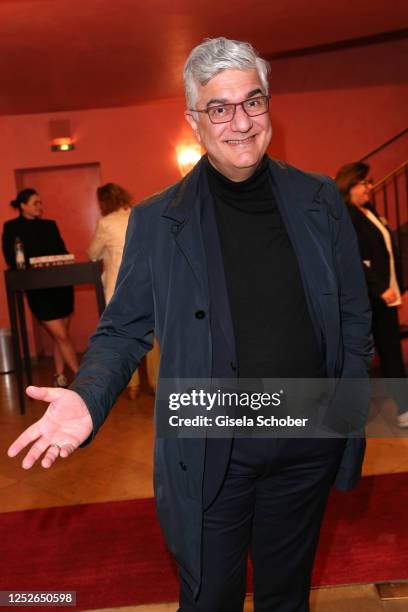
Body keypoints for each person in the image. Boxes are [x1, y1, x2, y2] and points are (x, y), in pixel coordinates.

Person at [8, 38, 372, 612]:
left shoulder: (319, 199)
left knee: (287, 597)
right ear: (194, 120)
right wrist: (89, 397)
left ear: (268, 104)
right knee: (209, 600)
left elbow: (353, 319)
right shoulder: (159, 219)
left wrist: (345, 419)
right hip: (211, 439)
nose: (241, 122)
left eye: (252, 102)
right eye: (219, 108)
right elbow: (124, 329)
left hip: (307, 435)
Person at [335, 161, 408, 428]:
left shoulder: (369, 212)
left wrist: (396, 284)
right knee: (357, 358)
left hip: (385, 296)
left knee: (391, 354)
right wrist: (380, 287)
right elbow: (352, 260)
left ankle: (404, 409)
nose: (370, 187)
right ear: (349, 185)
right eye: (364, 182)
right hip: (364, 298)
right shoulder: (345, 216)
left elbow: (384, 252)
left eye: (370, 182)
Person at [87, 182, 158, 396]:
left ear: (103, 202)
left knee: (124, 338)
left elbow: (92, 253)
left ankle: (132, 386)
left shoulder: (105, 223)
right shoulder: (140, 215)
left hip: (120, 287)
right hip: (148, 283)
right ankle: (155, 382)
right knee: (153, 337)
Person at [2, 188, 79, 387]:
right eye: (35, 203)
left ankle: (59, 375)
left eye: (40, 203)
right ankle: (82, 378)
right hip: (37, 289)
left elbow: (62, 251)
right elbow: (11, 259)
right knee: (61, 335)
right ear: (23, 205)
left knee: (59, 335)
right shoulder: (11, 227)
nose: (40, 207)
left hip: (60, 286)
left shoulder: (50, 225)